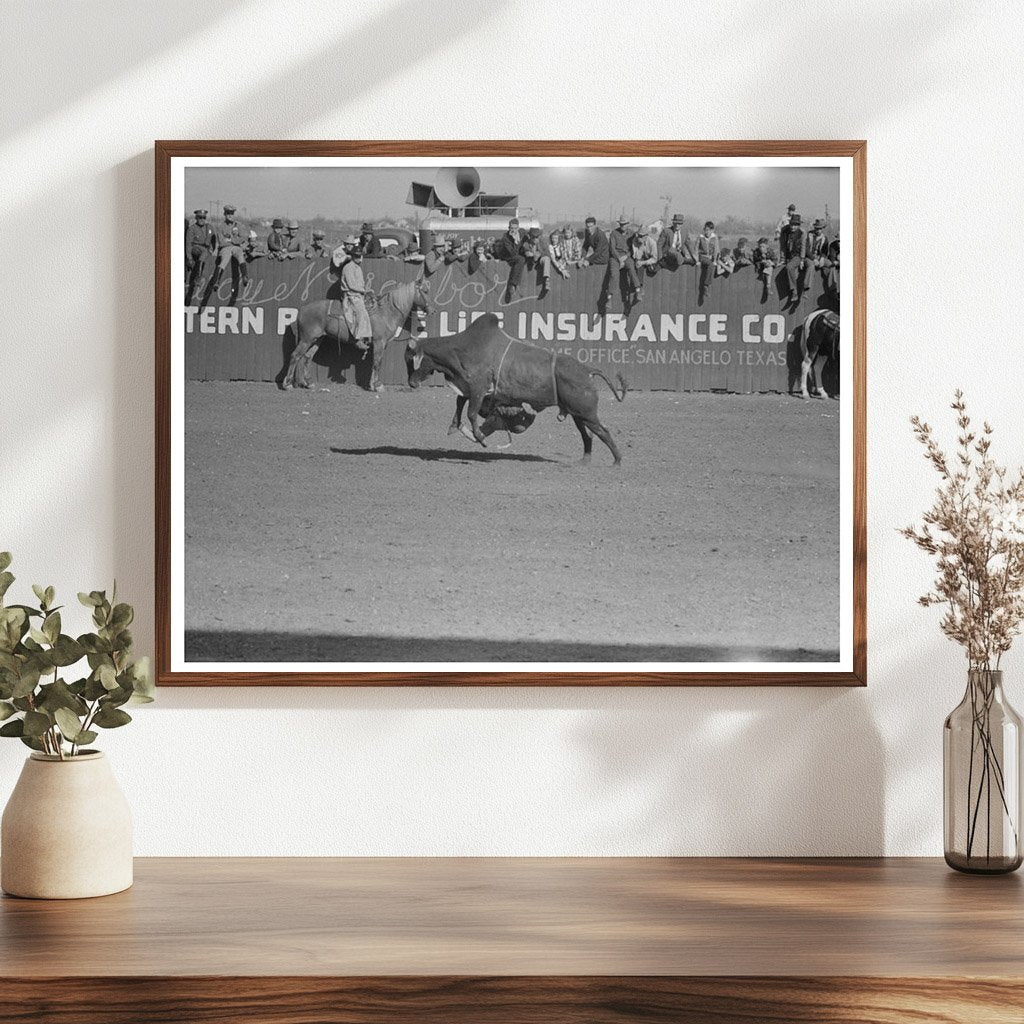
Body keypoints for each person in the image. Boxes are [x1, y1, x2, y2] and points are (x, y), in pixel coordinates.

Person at [206, 203, 249, 305]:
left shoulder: (238, 225)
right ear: (224, 214)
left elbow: (243, 238)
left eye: (232, 213)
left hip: (235, 247)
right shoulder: (221, 226)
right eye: (228, 213)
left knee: (240, 255)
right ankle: (216, 281)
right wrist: (234, 240)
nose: (230, 215)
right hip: (225, 248)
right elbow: (221, 241)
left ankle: (245, 276)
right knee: (224, 261)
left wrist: (231, 239)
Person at [336, 235, 373, 351]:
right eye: (357, 256)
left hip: (358, 295)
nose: (359, 258)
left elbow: (360, 284)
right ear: (352, 256)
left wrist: (366, 291)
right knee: (361, 312)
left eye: (360, 256)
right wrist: (364, 290)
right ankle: (358, 339)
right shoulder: (348, 268)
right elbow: (351, 285)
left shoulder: (358, 268)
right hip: (350, 296)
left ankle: (368, 336)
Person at [184, 209, 215, 305]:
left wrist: (212, 249)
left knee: (205, 252)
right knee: (204, 252)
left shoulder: (209, 227)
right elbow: (188, 244)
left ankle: (198, 276)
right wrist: (189, 257)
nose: (202, 219)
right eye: (200, 217)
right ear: (196, 218)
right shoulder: (192, 228)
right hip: (195, 248)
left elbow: (213, 239)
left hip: (205, 249)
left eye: (204, 217)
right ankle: (198, 275)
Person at [493, 217, 527, 301]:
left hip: (518, 254)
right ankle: (513, 284)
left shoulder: (522, 232)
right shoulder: (506, 237)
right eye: (511, 228)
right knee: (520, 259)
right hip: (508, 256)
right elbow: (512, 253)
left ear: (518, 228)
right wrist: (515, 240)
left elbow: (529, 237)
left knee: (524, 258)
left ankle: (515, 284)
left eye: (515, 228)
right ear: (509, 228)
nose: (513, 230)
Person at [779, 212, 809, 303]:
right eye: (792, 224)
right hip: (789, 255)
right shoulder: (784, 231)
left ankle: (794, 291)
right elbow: (783, 246)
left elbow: (803, 246)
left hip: (797, 255)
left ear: (799, 225)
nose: (793, 227)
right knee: (785, 267)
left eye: (795, 225)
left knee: (790, 267)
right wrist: (782, 258)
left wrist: (802, 260)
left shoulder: (802, 233)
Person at [523, 226, 553, 298]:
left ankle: (547, 280)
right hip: (531, 263)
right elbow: (526, 254)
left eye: (537, 237)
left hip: (541, 259)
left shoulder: (543, 241)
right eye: (533, 237)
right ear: (530, 236)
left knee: (546, 259)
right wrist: (531, 256)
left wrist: (539, 254)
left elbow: (548, 254)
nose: (535, 239)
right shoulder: (526, 244)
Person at [694, 221, 720, 302]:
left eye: (708, 230)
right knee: (710, 264)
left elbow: (716, 250)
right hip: (703, 257)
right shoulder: (700, 237)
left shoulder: (714, 238)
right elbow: (696, 249)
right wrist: (697, 260)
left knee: (712, 264)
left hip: (711, 257)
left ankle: (706, 285)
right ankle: (706, 285)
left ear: (712, 230)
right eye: (705, 230)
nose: (707, 232)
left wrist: (715, 260)